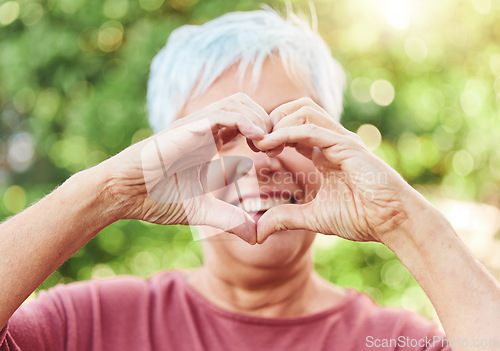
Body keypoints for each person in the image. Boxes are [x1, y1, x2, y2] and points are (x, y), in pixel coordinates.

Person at [1, 9, 499, 351]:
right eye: (218, 132)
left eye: (289, 125)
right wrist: (109, 192)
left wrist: (402, 219)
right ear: (163, 157)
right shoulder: (81, 327)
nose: (260, 159)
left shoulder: (393, 341)